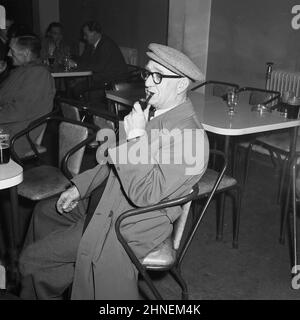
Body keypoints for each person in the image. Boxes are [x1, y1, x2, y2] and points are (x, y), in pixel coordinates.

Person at [19, 43, 209, 300]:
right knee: (45, 212)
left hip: (131, 219)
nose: (149, 83)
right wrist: (80, 186)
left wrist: (136, 137)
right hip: (109, 198)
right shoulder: (153, 113)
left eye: (158, 76)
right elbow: (112, 161)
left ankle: (46, 272)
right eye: (147, 73)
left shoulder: (192, 138)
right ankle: (58, 276)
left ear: (181, 85)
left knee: (33, 260)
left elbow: (146, 194)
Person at [0, 35, 56, 156]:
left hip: (16, 133)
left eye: (12, 51)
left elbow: (21, 110)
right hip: (7, 126)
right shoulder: (23, 70)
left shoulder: (38, 74)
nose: (9, 54)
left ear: (26, 53)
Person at [67, 20, 127, 103]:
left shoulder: (106, 45)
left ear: (95, 33)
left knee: (78, 88)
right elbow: (83, 60)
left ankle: (86, 113)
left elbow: (98, 67)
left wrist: (76, 65)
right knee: (72, 84)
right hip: (100, 78)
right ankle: (78, 112)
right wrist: (72, 59)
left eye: (86, 34)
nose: (84, 37)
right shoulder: (91, 44)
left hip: (113, 82)